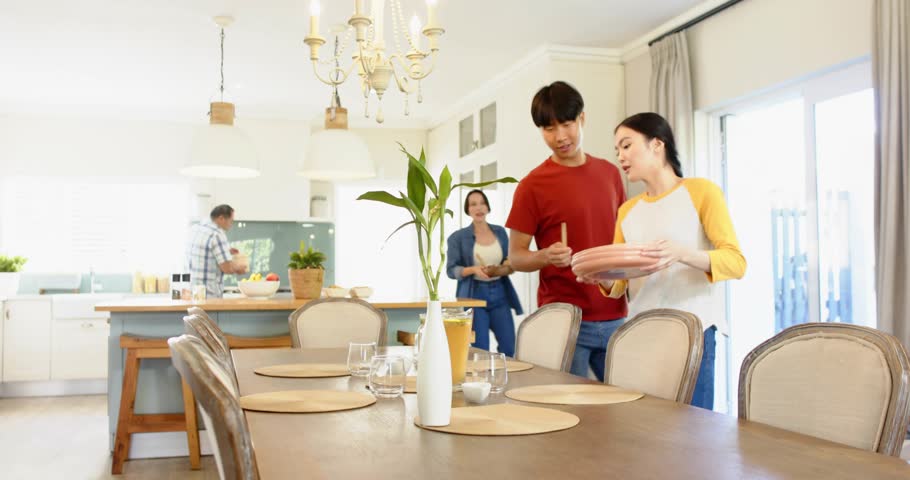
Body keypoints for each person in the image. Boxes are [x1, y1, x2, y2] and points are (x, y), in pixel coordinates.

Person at [583, 112, 746, 410]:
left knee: (692, 436)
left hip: (691, 332)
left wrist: (683, 253)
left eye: (627, 145)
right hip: (641, 331)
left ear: (657, 145)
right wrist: (602, 277)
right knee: (646, 431)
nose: (621, 155)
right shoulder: (627, 211)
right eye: (617, 150)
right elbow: (620, 282)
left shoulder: (701, 192)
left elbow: (736, 262)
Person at [506, 81, 627, 381]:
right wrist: (546, 256)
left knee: (628, 413)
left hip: (617, 316)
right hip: (564, 323)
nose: (560, 137)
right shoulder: (531, 186)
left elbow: (624, 241)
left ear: (582, 119)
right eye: (549, 129)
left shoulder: (611, 174)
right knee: (570, 413)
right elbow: (517, 258)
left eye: (567, 124)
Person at [446, 190, 523, 356]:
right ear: (468, 210)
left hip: (500, 293)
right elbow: (451, 270)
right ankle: (482, 382)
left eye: (482, 203)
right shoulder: (457, 238)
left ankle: (507, 381)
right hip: (474, 296)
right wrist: (473, 269)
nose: (478, 207)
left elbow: (509, 260)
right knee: (480, 350)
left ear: (488, 207)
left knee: (510, 348)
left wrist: (505, 266)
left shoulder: (500, 232)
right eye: (473, 204)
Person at [185, 204, 248, 298]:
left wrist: (227, 251)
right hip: (208, 296)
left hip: (191, 293)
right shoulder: (217, 234)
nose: (231, 225)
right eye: (231, 221)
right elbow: (227, 268)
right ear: (221, 218)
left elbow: (205, 252)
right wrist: (240, 268)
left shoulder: (195, 229)